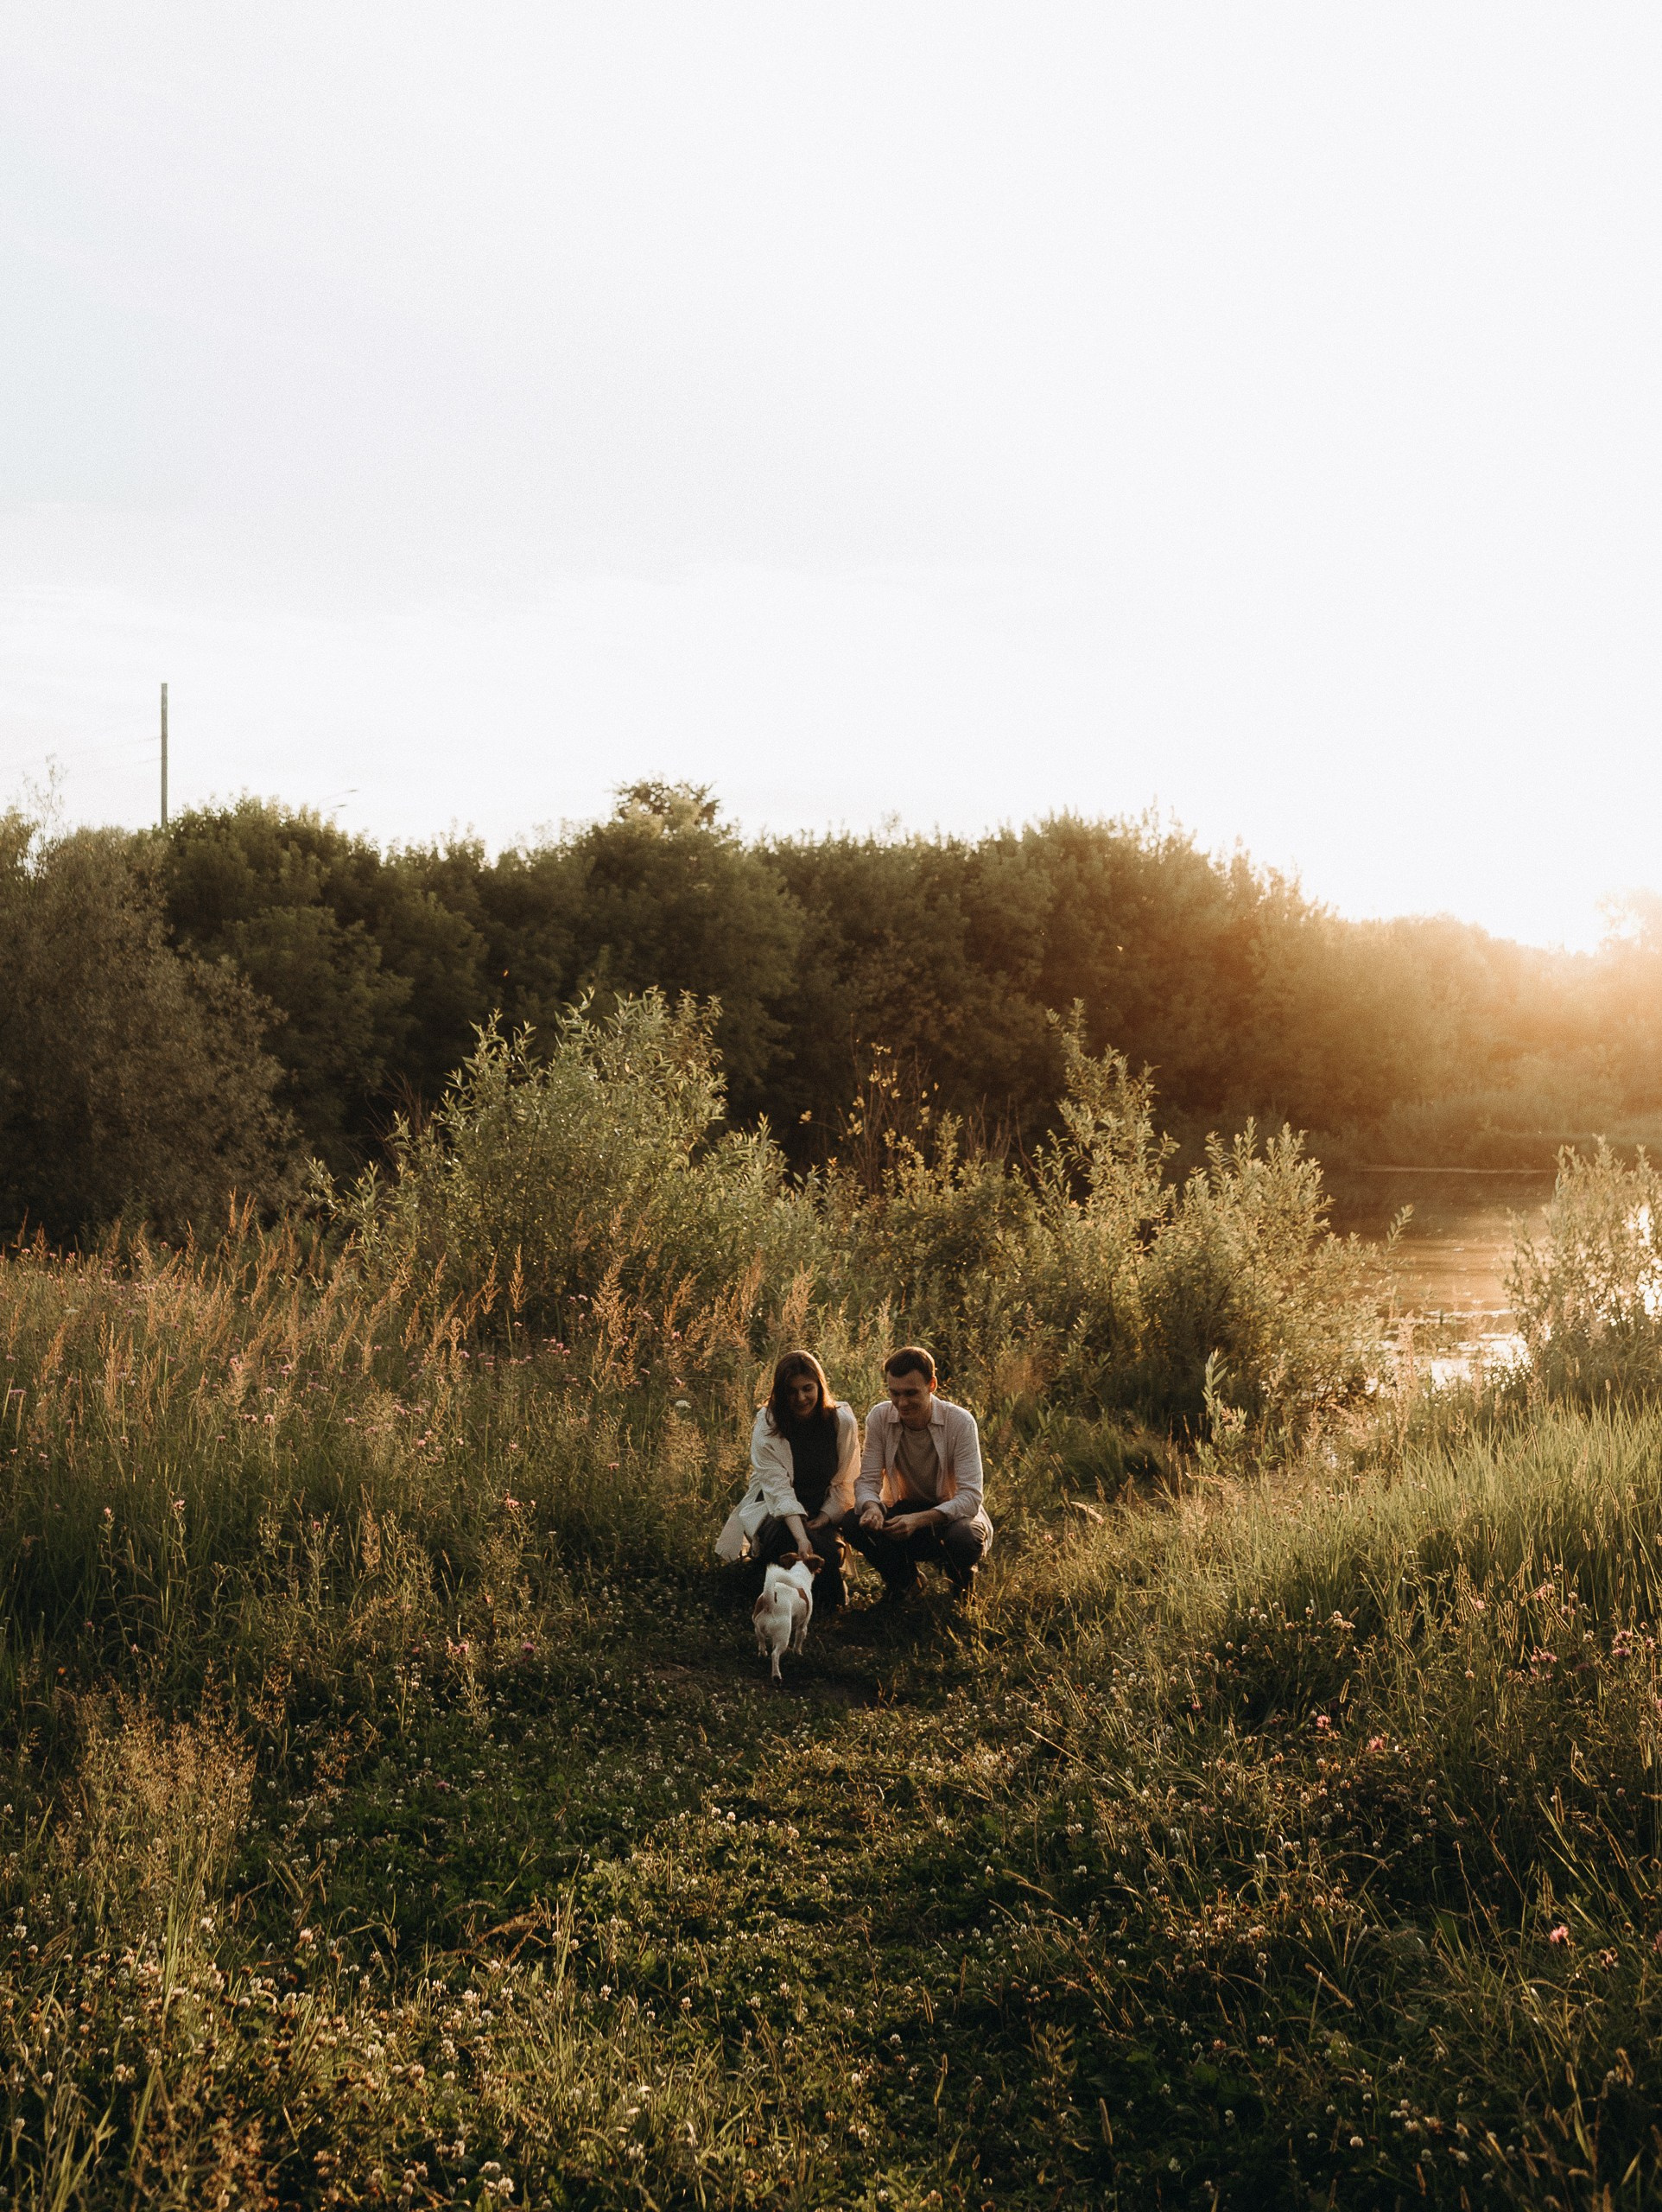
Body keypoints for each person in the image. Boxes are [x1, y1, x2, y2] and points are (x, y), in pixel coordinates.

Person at [842, 1345, 993, 1606]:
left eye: (911, 1393)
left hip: (950, 1513)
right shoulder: (880, 1416)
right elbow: (867, 1481)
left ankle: (961, 1585)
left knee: (964, 1538)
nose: (901, 1403)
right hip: (904, 1507)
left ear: (932, 1384)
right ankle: (906, 1581)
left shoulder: (960, 1422)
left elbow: (970, 1498)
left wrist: (919, 1520)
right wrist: (872, 1507)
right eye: (894, 1393)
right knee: (853, 1521)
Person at [730, 1350, 859, 1611]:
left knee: (827, 1551)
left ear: (819, 1387)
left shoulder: (841, 1421)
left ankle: (820, 1595)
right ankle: (777, 1592)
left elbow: (846, 1481)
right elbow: (777, 1489)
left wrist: (824, 1517)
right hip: (775, 1508)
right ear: (781, 1392)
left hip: (820, 1507)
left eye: (807, 1388)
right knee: (786, 1541)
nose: (801, 1398)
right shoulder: (769, 1422)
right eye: (792, 1391)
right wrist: (802, 1536)